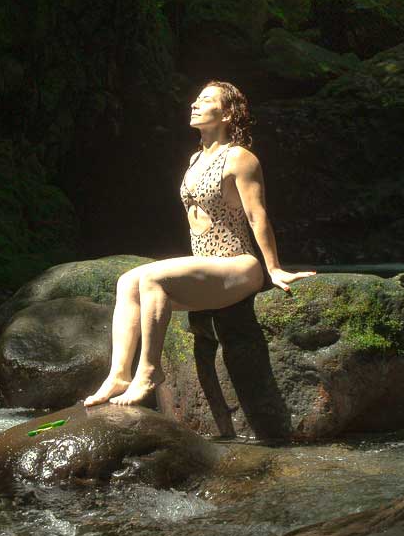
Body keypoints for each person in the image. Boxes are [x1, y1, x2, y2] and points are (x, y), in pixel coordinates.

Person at [83, 81, 313, 408]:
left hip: (238, 264)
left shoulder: (240, 158)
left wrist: (273, 268)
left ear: (228, 113)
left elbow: (257, 214)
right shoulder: (195, 158)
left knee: (150, 279)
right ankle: (119, 374)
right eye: (196, 98)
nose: (194, 103)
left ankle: (149, 370)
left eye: (206, 99)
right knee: (126, 281)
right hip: (207, 264)